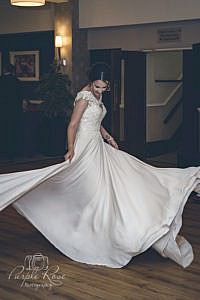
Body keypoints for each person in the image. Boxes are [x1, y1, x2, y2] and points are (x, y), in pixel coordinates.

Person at [0, 63, 199, 269]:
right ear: (91, 81)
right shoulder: (83, 97)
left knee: (113, 183)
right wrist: (70, 149)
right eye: (97, 87)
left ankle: (108, 230)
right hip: (84, 146)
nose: (100, 91)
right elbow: (73, 125)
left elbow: (95, 121)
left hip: (97, 144)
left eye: (104, 88)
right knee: (90, 186)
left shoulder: (97, 95)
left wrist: (107, 136)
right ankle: (87, 232)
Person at [0, 63, 22, 159]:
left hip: (2, 111)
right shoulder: (17, 82)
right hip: (14, 112)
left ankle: (2, 152)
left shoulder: (1, 80)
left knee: (3, 131)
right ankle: (12, 153)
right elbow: (20, 97)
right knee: (13, 132)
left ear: (4, 70)